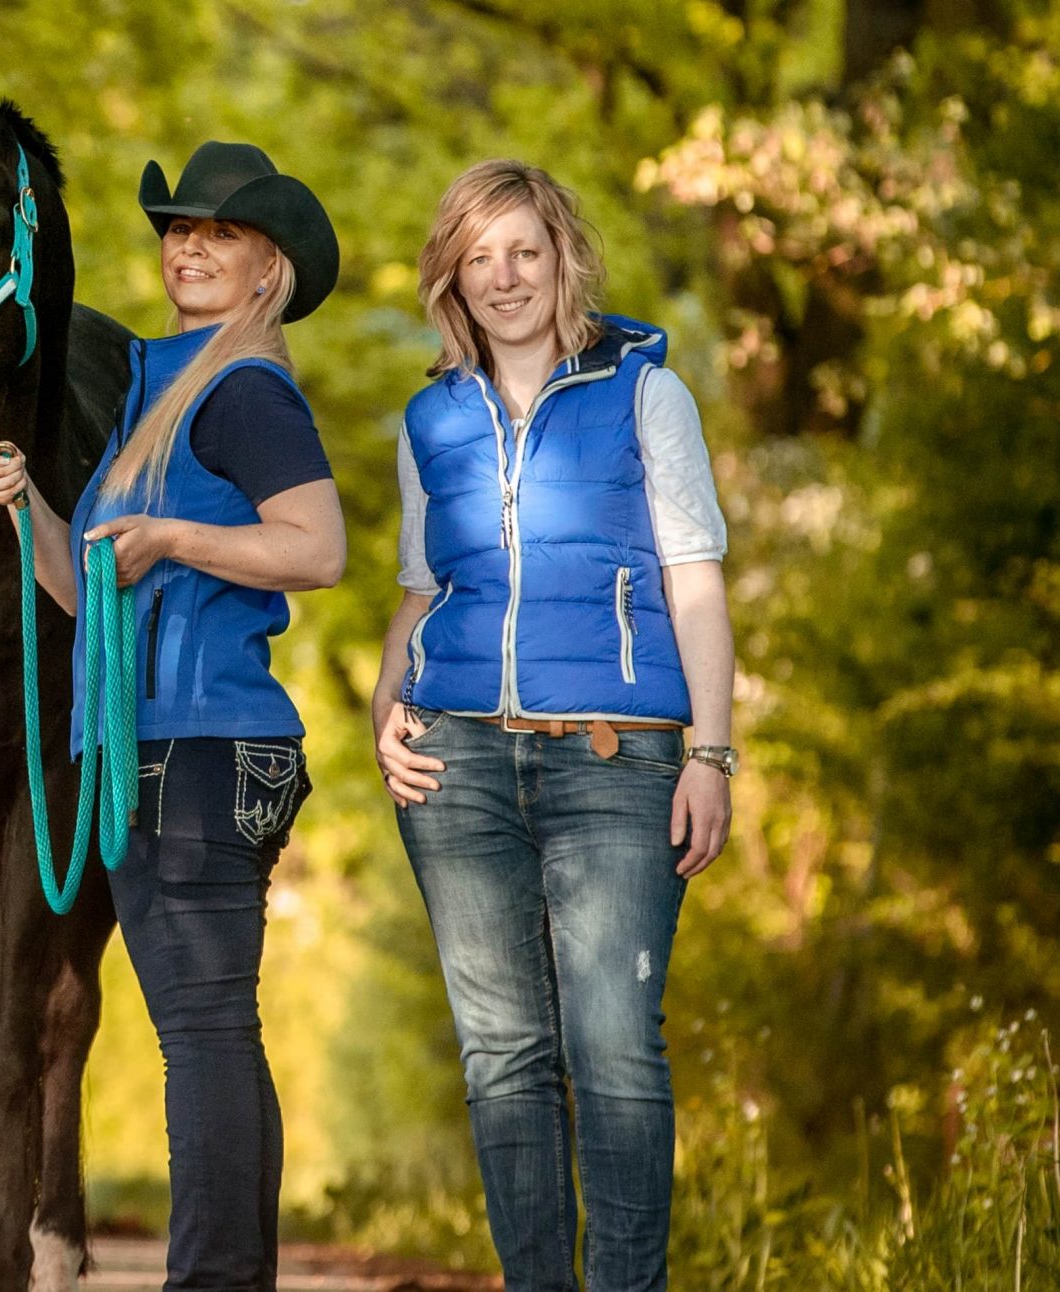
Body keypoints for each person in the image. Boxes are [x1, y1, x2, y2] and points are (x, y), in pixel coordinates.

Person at [0, 141, 345, 1292]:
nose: (189, 245)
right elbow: (91, 595)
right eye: (179, 228)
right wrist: (27, 498)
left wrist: (176, 538)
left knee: (206, 1033)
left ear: (267, 268)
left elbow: (317, 547)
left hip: (203, 746)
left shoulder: (244, 392)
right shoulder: (156, 391)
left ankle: (216, 1279)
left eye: (220, 233)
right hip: (144, 745)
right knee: (211, 1029)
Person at [370, 159, 737, 1292]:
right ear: (452, 278)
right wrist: (386, 717)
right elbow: (419, 591)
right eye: (479, 257)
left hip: (617, 760)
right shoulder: (430, 418)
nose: (505, 275)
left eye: (524, 249)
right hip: (456, 760)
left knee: (614, 1044)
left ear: (563, 256)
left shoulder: (644, 394)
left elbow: (697, 584)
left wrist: (713, 753)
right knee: (503, 1055)